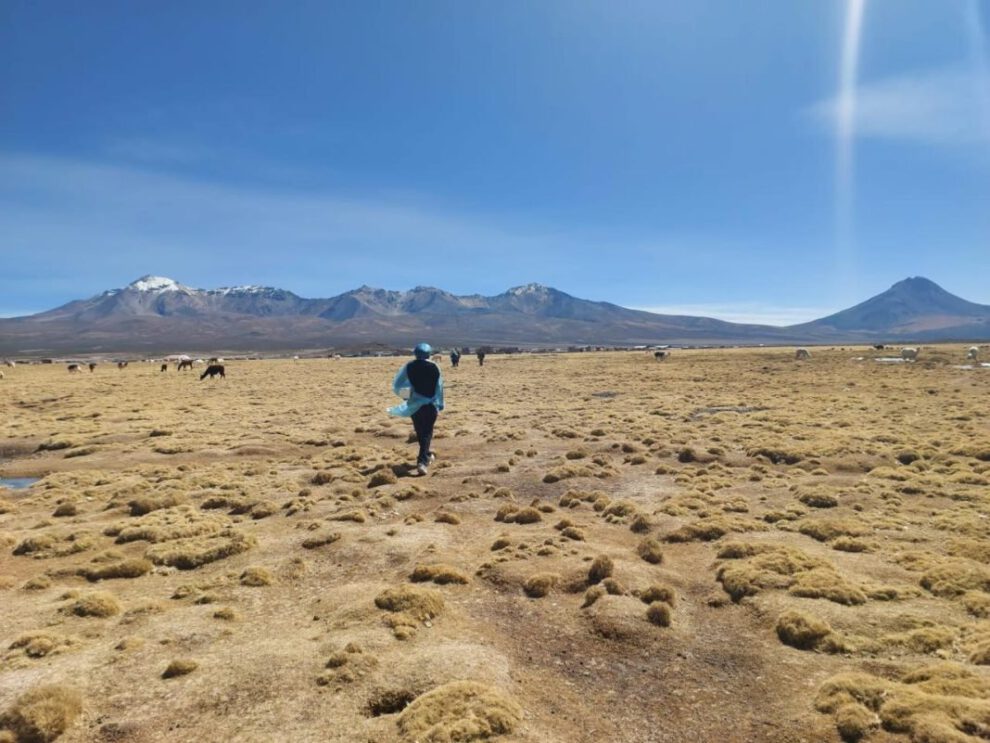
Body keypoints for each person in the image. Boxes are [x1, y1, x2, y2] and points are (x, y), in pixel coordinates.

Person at [388, 342, 444, 475]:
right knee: (427, 432)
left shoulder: (409, 366)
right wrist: (440, 404)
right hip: (430, 405)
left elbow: (397, 385)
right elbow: (439, 387)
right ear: (429, 353)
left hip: (414, 405)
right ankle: (422, 462)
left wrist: (407, 397)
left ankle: (426, 455)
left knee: (420, 432)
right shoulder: (434, 366)